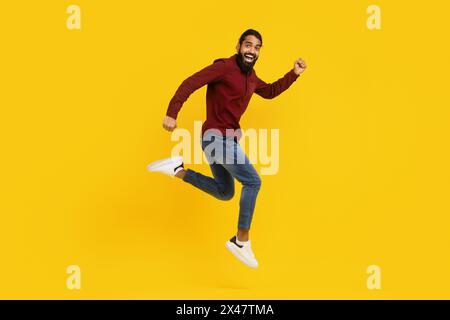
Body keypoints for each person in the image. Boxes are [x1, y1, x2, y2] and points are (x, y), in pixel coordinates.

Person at [148, 29, 307, 268]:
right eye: (248, 45)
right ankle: (241, 240)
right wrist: (172, 112)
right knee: (253, 182)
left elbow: (271, 91)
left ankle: (178, 169)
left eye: (257, 47)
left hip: (227, 140)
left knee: (225, 192)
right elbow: (191, 82)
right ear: (238, 46)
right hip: (214, 138)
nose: (252, 51)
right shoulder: (223, 67)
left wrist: (294, 74)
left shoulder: (252, 77)